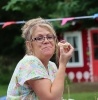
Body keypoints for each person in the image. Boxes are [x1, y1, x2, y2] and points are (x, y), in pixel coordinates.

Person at [6, 17, 74, 100]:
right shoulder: (30, 62)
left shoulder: (51, 66)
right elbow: (51, 99)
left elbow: (57, 96)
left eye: (49, 37)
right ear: (29, 45)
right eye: (39, 38)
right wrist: (63, 64)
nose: (46, 41)